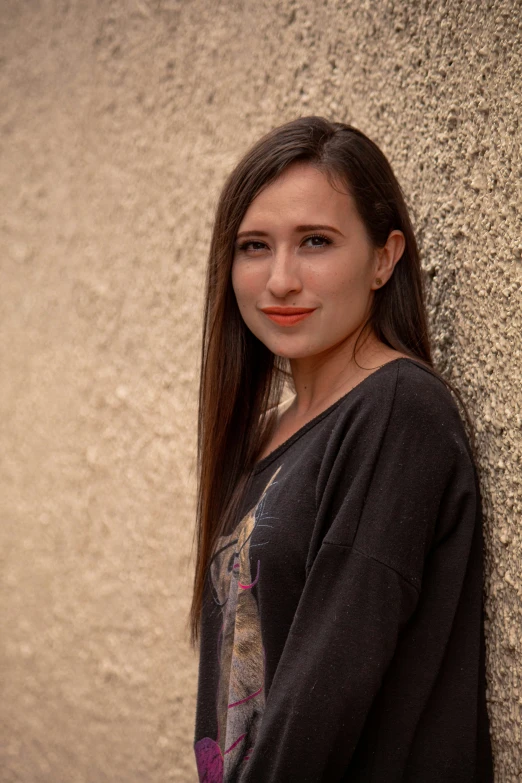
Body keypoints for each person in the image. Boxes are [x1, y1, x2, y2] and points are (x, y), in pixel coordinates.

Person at [191, 116, 493, 782]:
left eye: (316, 241)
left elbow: (322, 698)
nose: (280, 279)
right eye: (253, 246)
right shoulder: (266, 433)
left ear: (385, 257)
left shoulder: (398, 411)